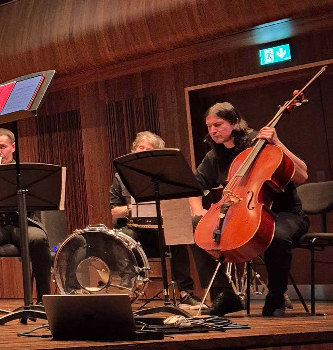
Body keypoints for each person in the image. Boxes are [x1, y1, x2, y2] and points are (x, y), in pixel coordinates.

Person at [189, 103, 309, 318]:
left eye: (218, 124)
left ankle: (276, 295)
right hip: (240, 213)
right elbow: (194, 187)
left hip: (285, 213)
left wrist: (277, 143)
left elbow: (302, 176)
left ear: (234, 123)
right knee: (196, 228)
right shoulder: (214, 157)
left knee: (276, 235)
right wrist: (198, 210)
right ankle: (224, 295)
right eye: (209, 126)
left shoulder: (261, 143)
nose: (213, 131)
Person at [109, 130, 202, 311]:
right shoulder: (121, 176)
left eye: (148, 149)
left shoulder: (166, 177)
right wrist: (133, 209)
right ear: (133, 149)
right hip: (136, 232)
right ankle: (128, 289)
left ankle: (185, 293)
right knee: (125, 236)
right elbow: (114, 212)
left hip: (161, 231)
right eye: (140, 148)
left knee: (177, 235)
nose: (142, 151)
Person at [0, 127, 52, 313]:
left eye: (2, 147)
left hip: (24, 223)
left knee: (39, 238)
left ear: (13, 147)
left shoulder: (25, 174)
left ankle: (44, 299)